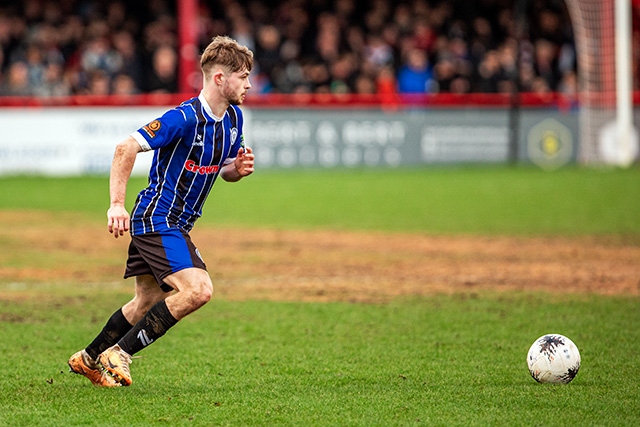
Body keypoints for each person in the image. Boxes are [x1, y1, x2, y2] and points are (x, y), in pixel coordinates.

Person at [67, 35, 255, 387]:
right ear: (219, 78)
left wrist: (236, 171)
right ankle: (119, 353)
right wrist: (116, 205)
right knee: (198, 290)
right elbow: (125, 147)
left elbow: (224, 169)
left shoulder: (234, 121)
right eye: (242, 76)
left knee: (145, 301)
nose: (248, 84)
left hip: (175, 222)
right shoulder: (182, 118)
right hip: (159, 217)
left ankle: (89, 358)